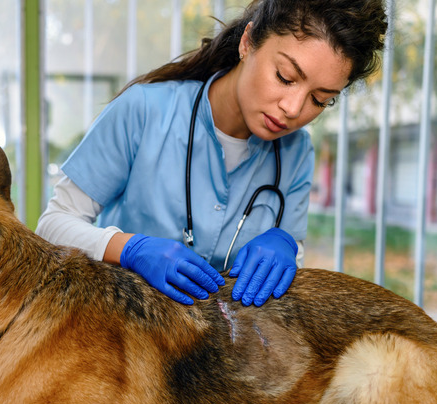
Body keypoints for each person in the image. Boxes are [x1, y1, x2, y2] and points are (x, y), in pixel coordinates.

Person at [37, 0, 387, 307]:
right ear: (248, 42)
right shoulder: (143, 111)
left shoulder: (296, 152)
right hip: (118, 339)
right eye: (285, 76)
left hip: (212, 361)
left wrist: (288, 247)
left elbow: (284, 260)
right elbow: (52, 226)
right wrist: (128, 248)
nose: (293, 109)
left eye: (319, 99)